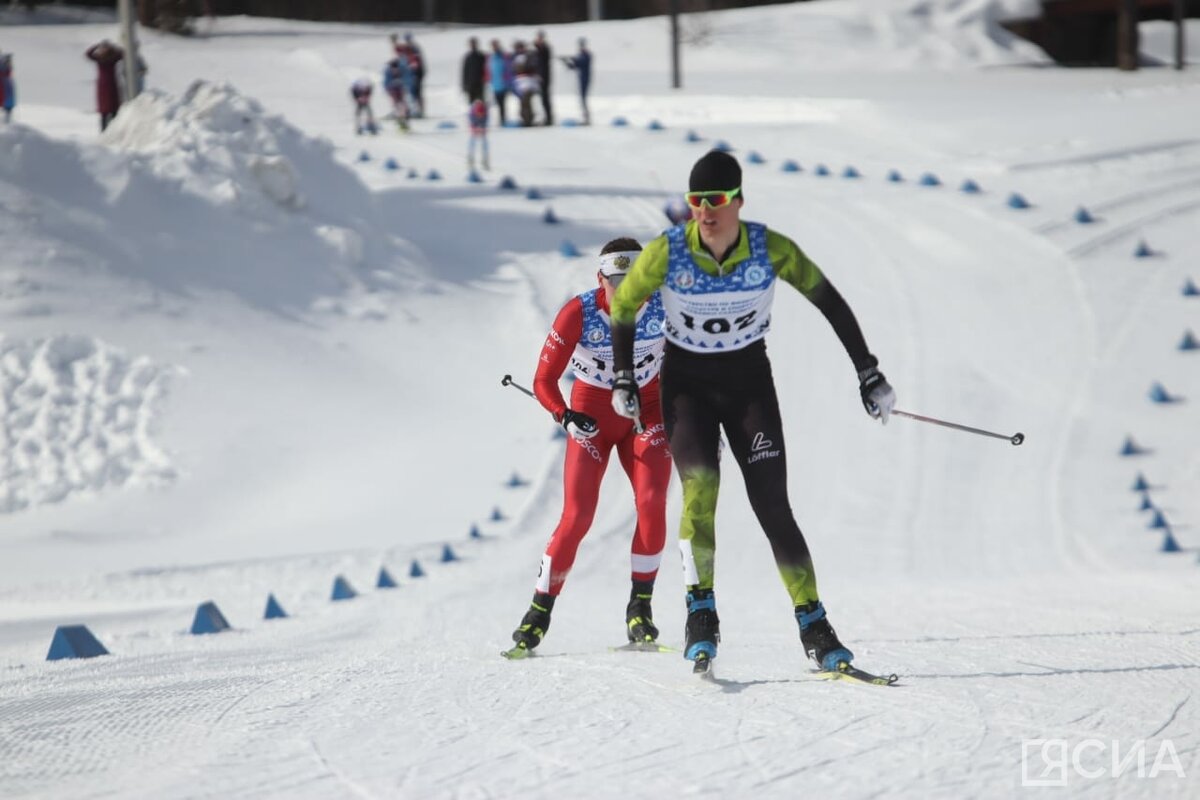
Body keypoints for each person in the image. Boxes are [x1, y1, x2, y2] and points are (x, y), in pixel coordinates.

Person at [608, 150, 896, 674]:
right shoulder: (669, 252)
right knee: (701, 489)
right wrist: (624, 376)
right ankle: (701, 613)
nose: (705, 211)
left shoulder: (769, 249)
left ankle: (814, 624)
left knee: (772, 504)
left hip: (747, 386)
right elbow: (624, 305)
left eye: (716, 199)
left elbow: (829, 300)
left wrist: (867, 371)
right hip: (687, 388)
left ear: (738, 200)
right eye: (696, 200)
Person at [507, 238, 673, 656]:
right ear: (601, 279)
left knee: (652, 501)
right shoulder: (577, 313)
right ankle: (538, 612)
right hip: (592, 414)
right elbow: (543, 380)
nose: (627, 291)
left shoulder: (665, 306)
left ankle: (640, 609)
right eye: (617, 282)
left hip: (646, 412)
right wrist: (564, 415)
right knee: (578, 515)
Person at [85, 40, 124, 132]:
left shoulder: (113, 57)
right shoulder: (99, 58)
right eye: (103, 48)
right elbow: (88, 54)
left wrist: (113, 48)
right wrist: (96, 46)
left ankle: (114, 131)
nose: (104, 50)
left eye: (105, 48)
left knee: (114, 111)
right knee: (104, 113)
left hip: (112, 85)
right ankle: (103, 131)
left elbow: (121, 54)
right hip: (102, 87)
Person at [561, 37, 591, 125]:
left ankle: (586, 119)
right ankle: (585, 118)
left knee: (583, 99)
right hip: (581, 79)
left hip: (585, 79)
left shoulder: (586, 55)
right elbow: (573, 66)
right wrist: (566, 62)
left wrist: (570, 60)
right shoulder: (581, 55)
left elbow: (579, 63)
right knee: (582, 99)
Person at [511, 41, 540, 129]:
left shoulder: (528, 56)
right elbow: (514, 70)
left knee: (526, 102)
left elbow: (531, 67)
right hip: (520, 83)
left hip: (528, 83)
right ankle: (525, 119)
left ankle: (528, 120)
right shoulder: (516, 57)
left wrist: (522, 68)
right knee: (523, 103)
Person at [486, 39, 512, 127]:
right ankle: (498, 120)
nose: (494, 47)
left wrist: (508, 82)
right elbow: (488, 71)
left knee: (502, 104)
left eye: (496, 45)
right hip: (494, 85)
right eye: (493, 45)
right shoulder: (490, 58)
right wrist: (489, 80)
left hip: (503, 84)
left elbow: (508, 69)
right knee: (496, 104)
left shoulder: (504, 56)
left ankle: (503, 120)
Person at [381, 57, 410, 131]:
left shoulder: (403, 70)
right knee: (397, 105)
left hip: (400, 89)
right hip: (393, 90)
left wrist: (405, 88)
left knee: (404, 106)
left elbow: (407, 81)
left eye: (396, 68)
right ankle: (400, 121)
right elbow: (386, 84)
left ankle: (405, 121)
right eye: (393, 68)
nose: (394, 70)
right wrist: (390, 91)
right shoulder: (387, 72)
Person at [533, 30, 553, 126]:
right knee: (542, 98)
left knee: (545, 98)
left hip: (545, 76)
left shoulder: (545, 48)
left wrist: (537, 46)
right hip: (540, 76)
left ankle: (549, 118)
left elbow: (543, 58)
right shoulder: (540, 49)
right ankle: (546, 117)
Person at [466, 98, 489, 171]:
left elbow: (485, 121)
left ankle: (485, 159)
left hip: (482, 125)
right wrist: (474, 128)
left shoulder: (485, 113)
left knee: (484, 142)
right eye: (479, 114)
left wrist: (482, 128)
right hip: (474, 124)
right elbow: (472, 123)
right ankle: (470, 158)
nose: (480, 115)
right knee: (472, 141)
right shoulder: (472, 113)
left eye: (481, 114)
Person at [461, 36, 486, 104]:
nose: (473, 45)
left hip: (480, 85)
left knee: (481, 104)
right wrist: (464, 85)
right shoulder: (467, 57)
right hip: (470, 85)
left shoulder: (481, 56)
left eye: (474, 43)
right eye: (471, 44)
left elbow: (486, 69)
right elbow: (465, 72)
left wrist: (485, 80)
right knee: (472, 105)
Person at [0, 51, 14, 123]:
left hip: (5, 85)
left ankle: (7, 119)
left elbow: (8, 70)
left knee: (8, 101)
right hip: (4, 84)